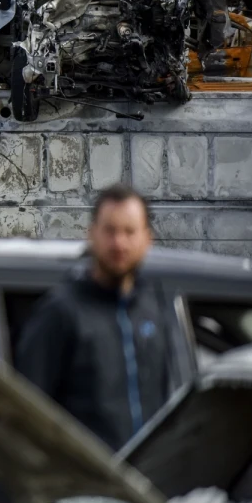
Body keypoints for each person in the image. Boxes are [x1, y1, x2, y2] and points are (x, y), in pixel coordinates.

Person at [15, 184, 170, 450]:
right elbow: (29, 410)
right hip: (85, 484)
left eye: (129, 232)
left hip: (147, 481)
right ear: (92, 234)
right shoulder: (61, 312)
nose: (119, 243)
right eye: (110, 231)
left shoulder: (153, 307)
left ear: (147, 239)